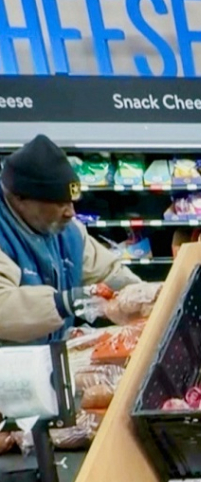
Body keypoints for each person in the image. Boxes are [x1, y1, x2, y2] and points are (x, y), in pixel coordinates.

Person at [0, 134, 156, 344]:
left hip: (52, 358)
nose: (71, 213)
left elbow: (108, 274)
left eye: (72, 202)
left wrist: (145, 295)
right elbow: (4, 309)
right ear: (20, 198)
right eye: (60, 203)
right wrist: (66, 302)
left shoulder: (69, 232)